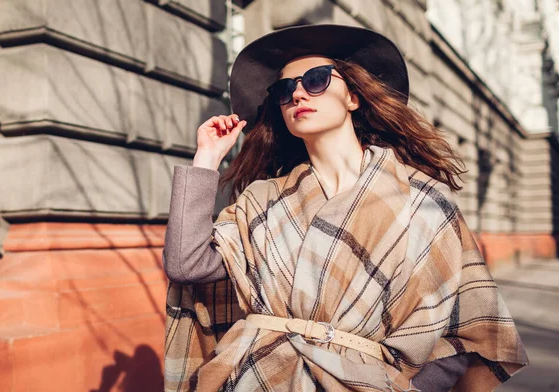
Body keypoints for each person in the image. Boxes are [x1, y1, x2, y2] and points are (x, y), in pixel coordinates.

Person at [162, 24, 528, 391]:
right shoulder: (263, 200)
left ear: (353, 97)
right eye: (284, 89)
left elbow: (468, 328)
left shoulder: (423, 202)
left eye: (316, 79)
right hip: (257, 379)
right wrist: (206, 161)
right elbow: (186, 263)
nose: (298, 93)